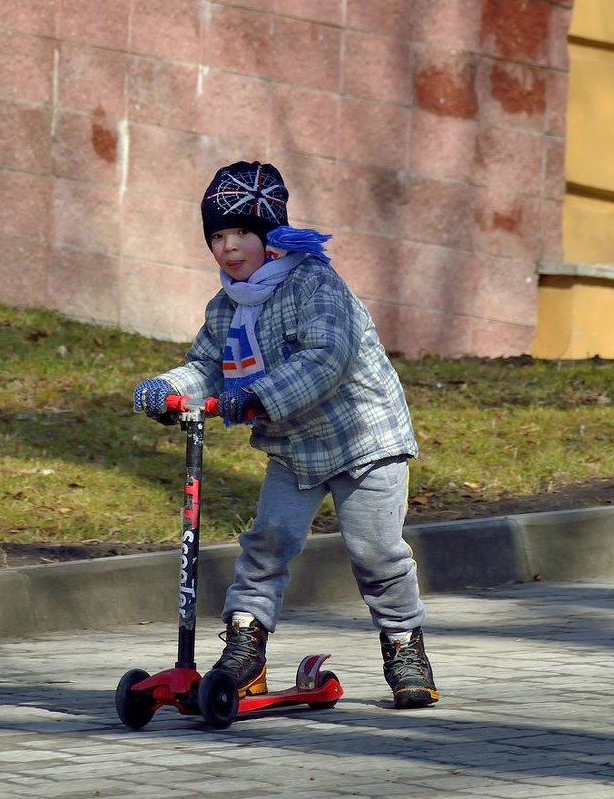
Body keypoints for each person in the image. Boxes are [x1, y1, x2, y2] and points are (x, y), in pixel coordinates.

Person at [131, 161, 439, 709]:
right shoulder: (229, 305)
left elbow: (327, 357)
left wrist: (257, 396)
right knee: (266, 543)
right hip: (296, 447)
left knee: (376, 553)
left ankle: (403, 644)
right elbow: (208, 364)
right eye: (217, 236)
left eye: (241, 233)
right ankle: (246, 649)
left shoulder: (314, 285)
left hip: (364, 439)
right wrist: (166, 388)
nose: (228, 248)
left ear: (270, 235)